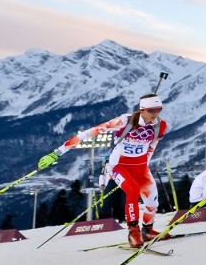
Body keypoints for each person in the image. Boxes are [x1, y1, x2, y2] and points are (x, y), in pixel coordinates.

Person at [37, 93, 168, 247]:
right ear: (142, 109)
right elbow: (89, 133)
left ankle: (147, 230)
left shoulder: (160, 125)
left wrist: (146, 160)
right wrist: (57, 153)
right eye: (152, 110)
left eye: (159, 109)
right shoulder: (123, 121)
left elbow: (152, 145)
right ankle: (134, 232)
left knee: (152, 201)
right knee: (132, 191)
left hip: (140, 167)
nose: (156, 114)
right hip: (119, 166)